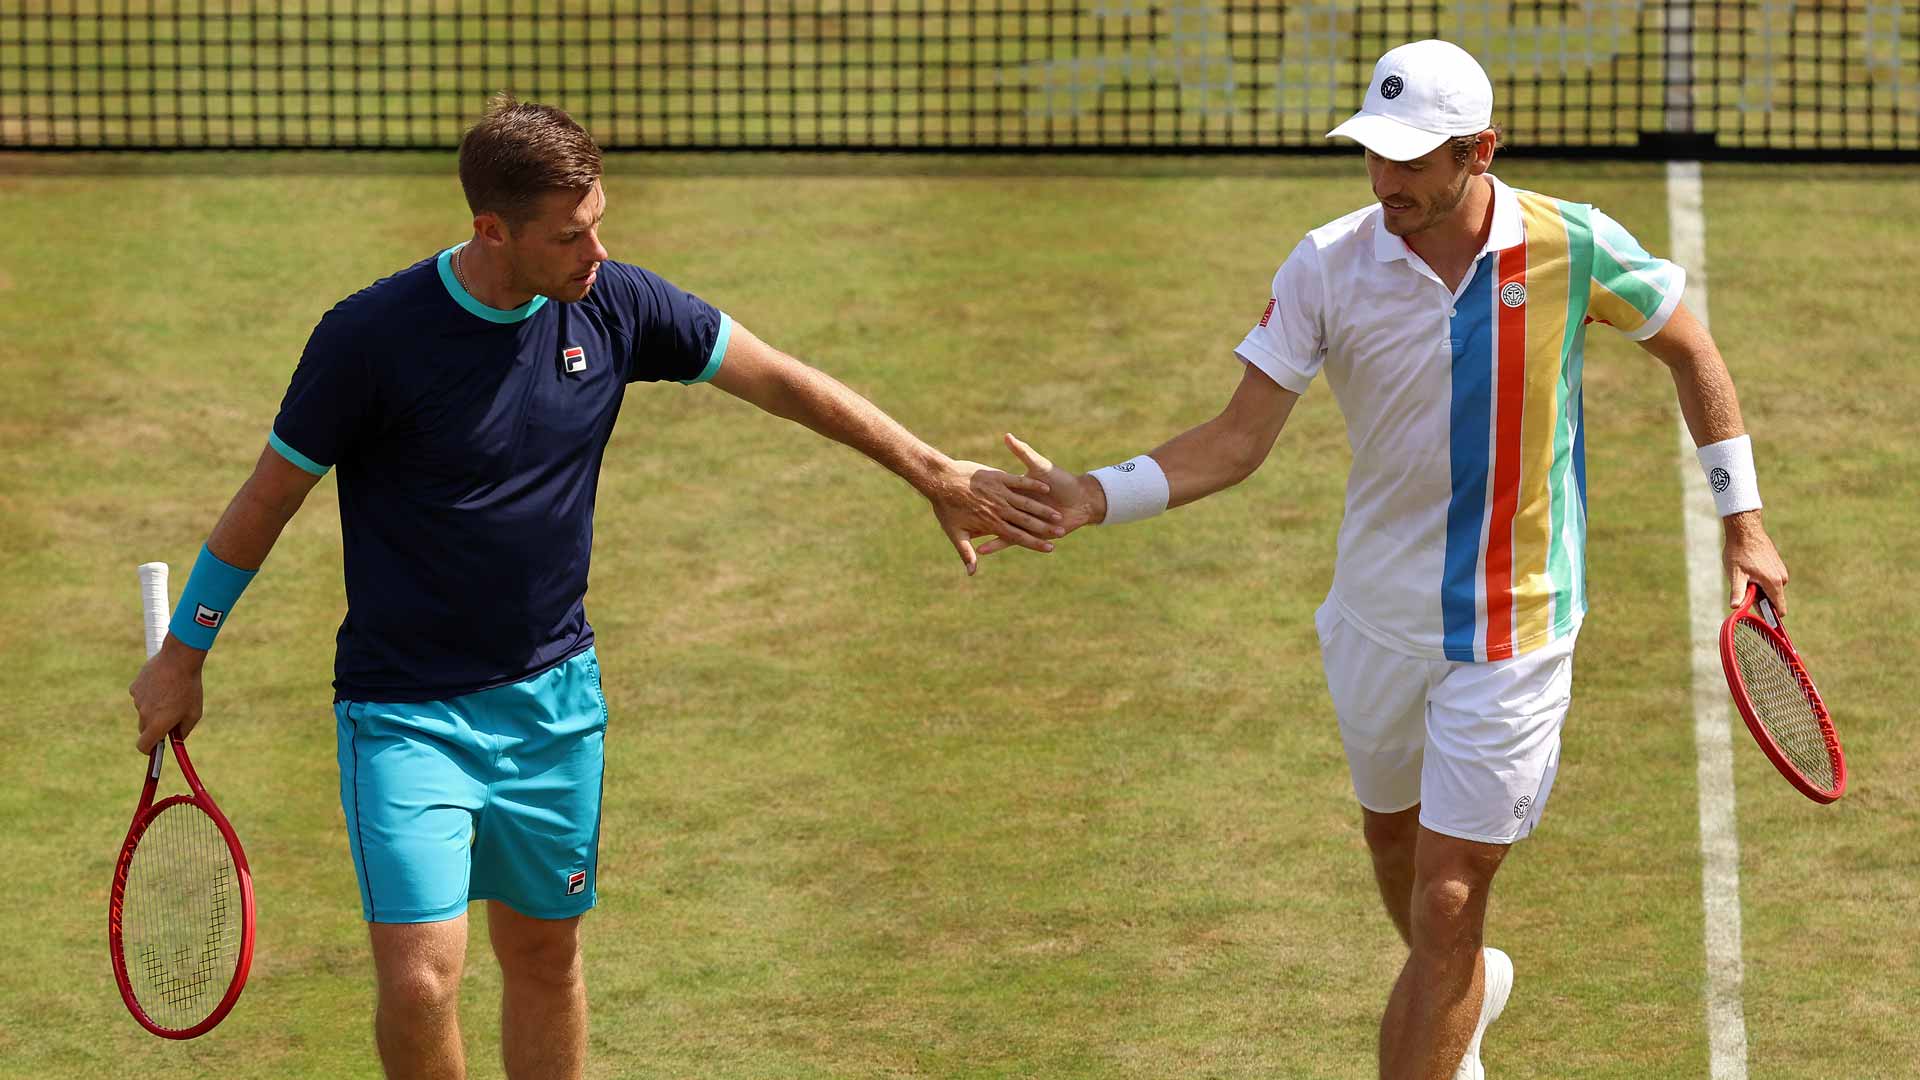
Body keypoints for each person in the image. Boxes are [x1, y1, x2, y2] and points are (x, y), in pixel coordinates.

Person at [126, 95, 1063, 1080]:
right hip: (404, 715)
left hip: (553, 707)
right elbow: (266, 501)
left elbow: (781, 379)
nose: (596, 249)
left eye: (600, 219)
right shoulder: (369, 339)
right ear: (493, 229)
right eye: (570, 233)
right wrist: (184, 656)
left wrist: (933, 471)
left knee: (545, 954)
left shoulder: (614, 303)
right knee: (418, 982)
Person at [985, 40, 1788, 1080]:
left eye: (1412, 159)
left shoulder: (1573, 246)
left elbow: (1693, 350)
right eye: (1373, 153)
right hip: (1373, 620)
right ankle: (1465, 995)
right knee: (1401, 866)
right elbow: (1236, 440)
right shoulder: (1326, 263)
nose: (1386, 180)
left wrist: (1744, 521)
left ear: (1479, 152)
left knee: (1449, 897)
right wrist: (1095, 494)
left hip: (1515, 625)